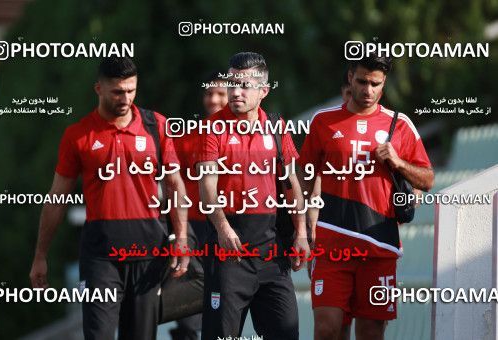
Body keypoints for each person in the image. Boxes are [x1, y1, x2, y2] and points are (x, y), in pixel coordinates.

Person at [29, 57, 190, 340]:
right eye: (117, 91)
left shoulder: (157, 126)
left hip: (149, 252)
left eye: (131, 90)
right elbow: (56, 198)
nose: (125, 98)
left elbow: (175, 185)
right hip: (100, 256)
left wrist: (182, 239)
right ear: (98, 89)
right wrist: (41, 255)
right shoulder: (78, 135)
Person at [299, 53, 434, 340]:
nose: (368, 90)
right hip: (332, 243)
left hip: (378, 244)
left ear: (384, 83)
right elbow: (304, 177)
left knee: (371, 332)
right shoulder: (323, 121)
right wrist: (300, 226)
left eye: (376, 83)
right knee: (327, 328)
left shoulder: (399, 124)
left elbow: (428, 178)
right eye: (362, 82)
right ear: (350, 78)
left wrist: (398, 162)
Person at [197, 52, 310, 340]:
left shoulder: (276, 126)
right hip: (230, 250)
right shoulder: (212, 128)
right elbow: (206, 187)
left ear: (263, 91)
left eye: (244, 85)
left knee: (286, 332)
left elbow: (291, 183)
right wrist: (222, 227)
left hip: (272, 250)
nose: (235, 92)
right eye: (232, 83)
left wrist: (300, 232)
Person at [168, 71, 228, 340]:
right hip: (192, 223)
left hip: (229, 225)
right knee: (190, 292)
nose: (213, 99)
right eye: (208, 93)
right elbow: (172, 183)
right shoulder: (188, 136)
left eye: (220, 94)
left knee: (223, 294)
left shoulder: (244, 137)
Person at [307, 70, 353, 340]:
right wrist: (310, 230)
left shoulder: (386, 130)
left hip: (369, 241)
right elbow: (314, 188)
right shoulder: (327, 126)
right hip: (331, 241)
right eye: (347, 94)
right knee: (332, 325)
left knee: (368, 324)